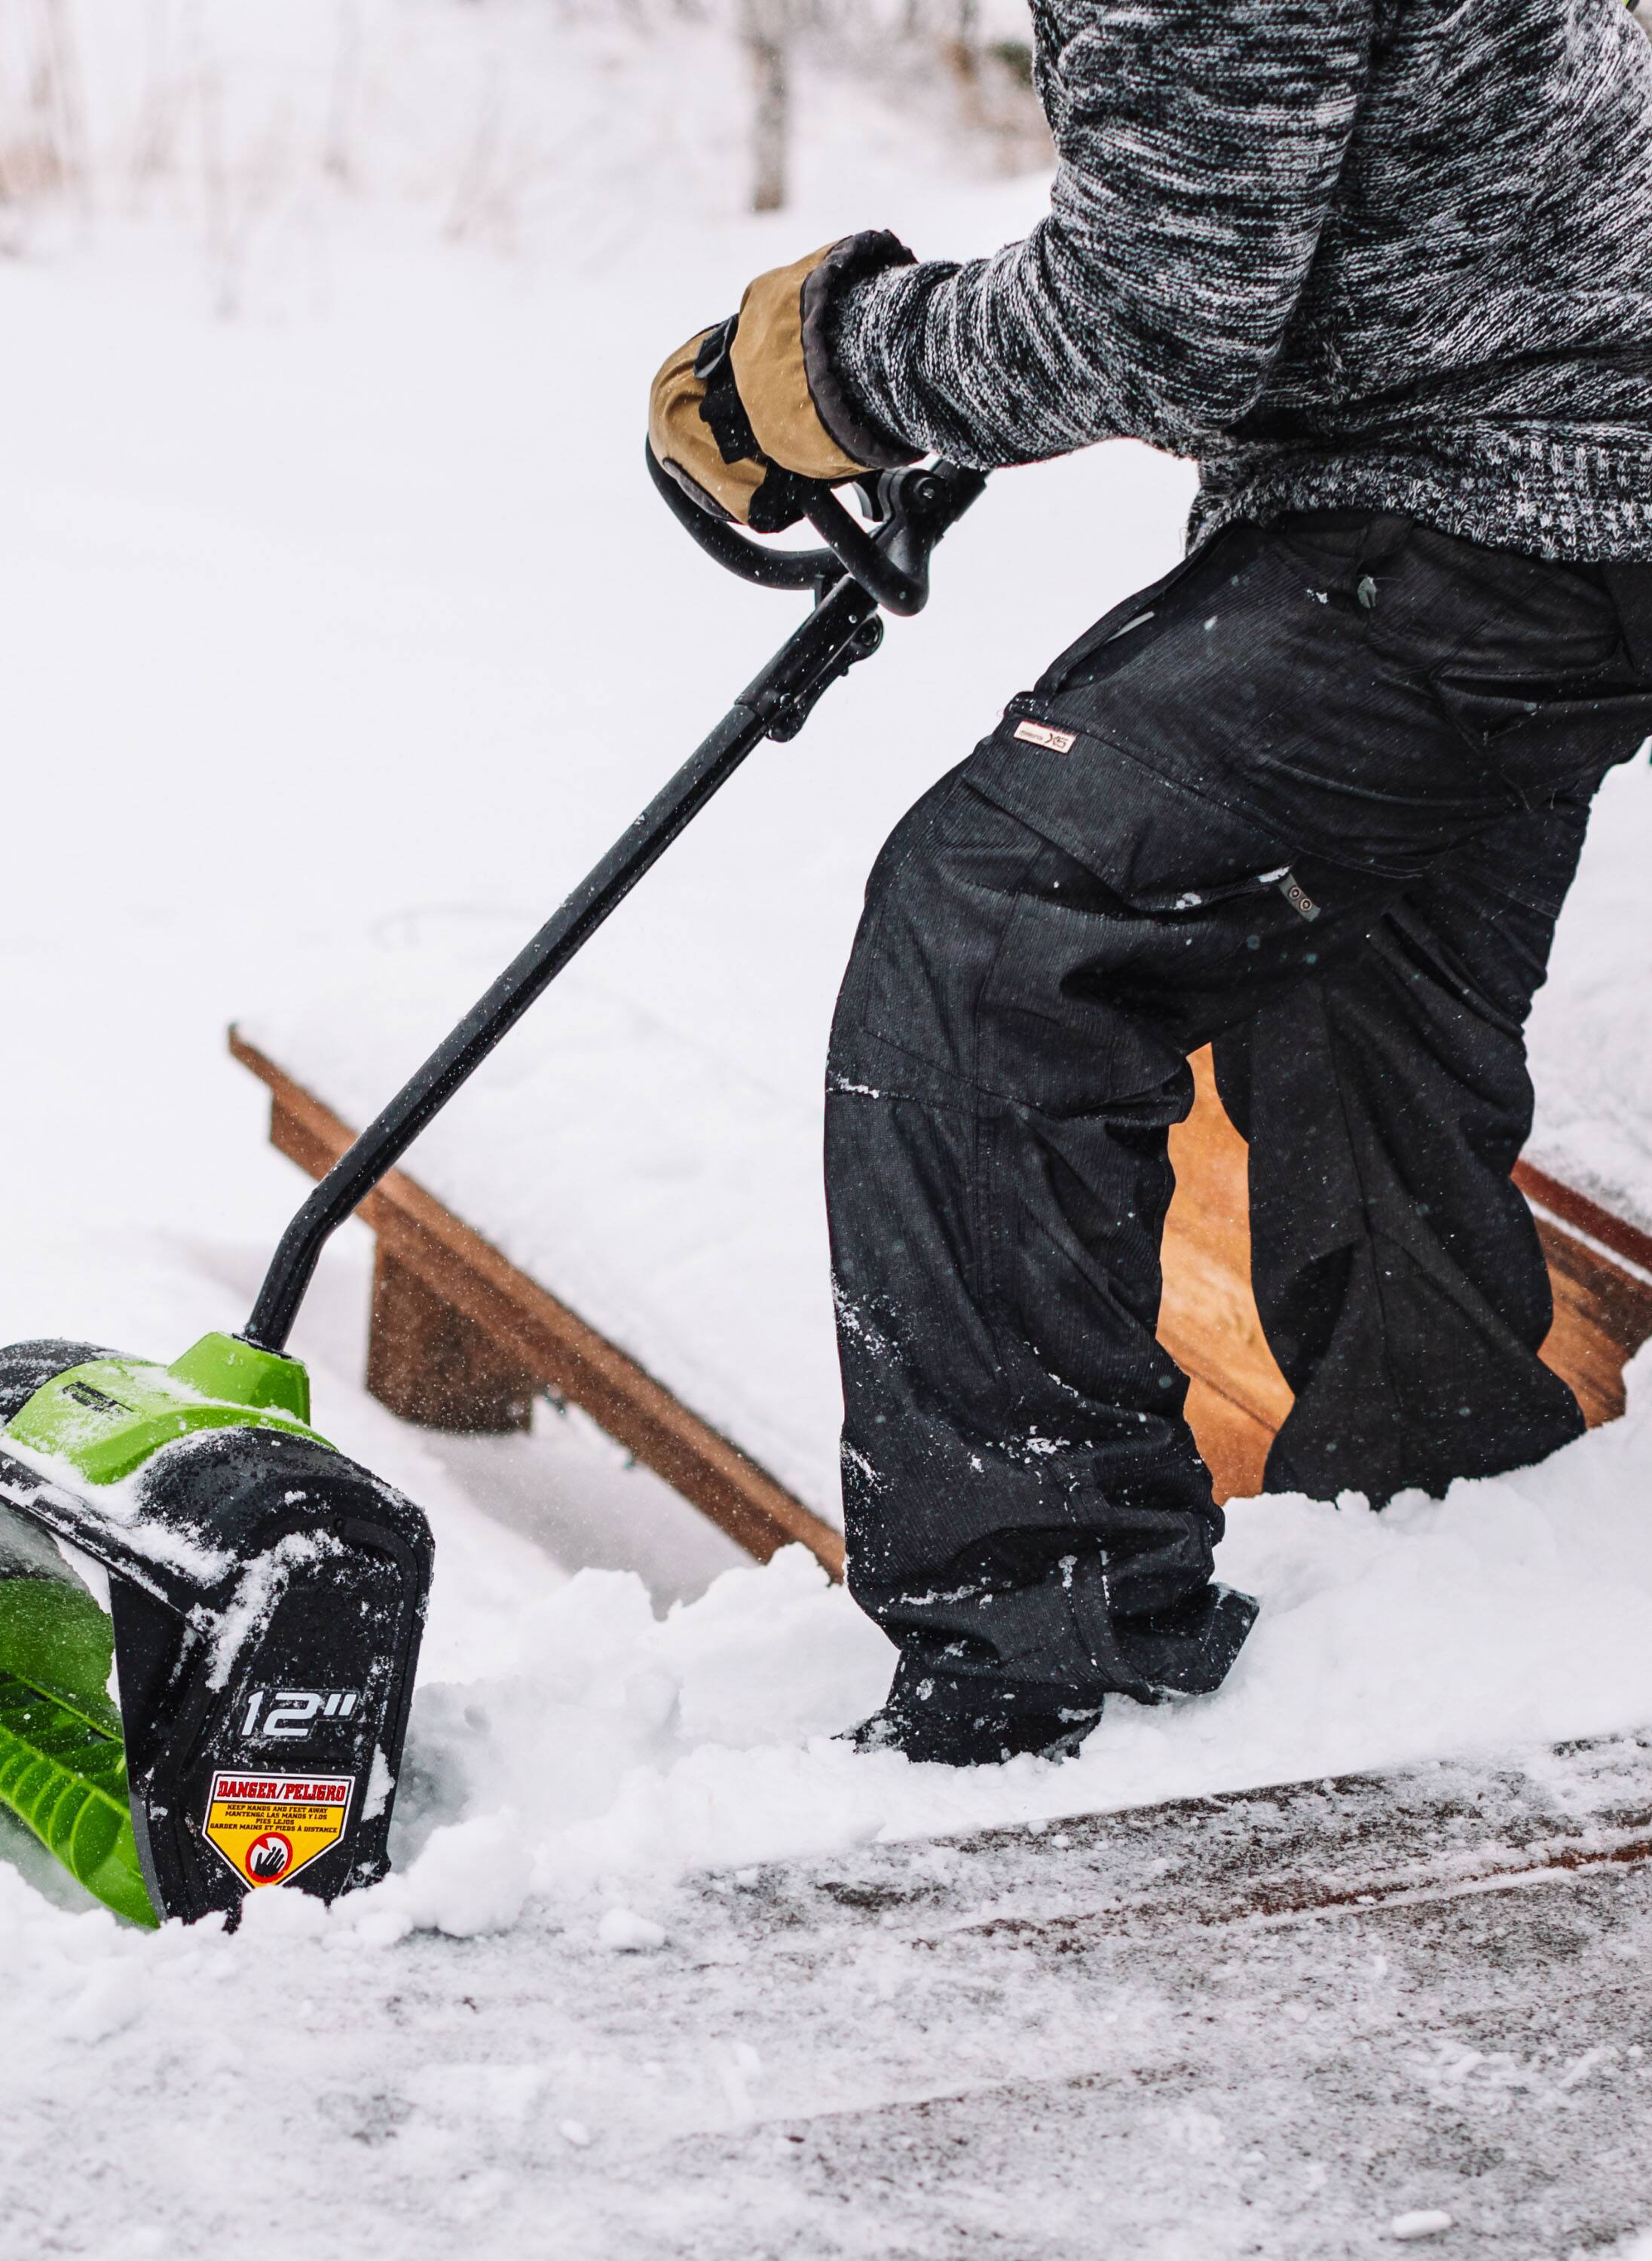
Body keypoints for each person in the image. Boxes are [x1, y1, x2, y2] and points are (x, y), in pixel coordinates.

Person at [649, 0, 1652, 1764]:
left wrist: (833, 377)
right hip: (1555, 465)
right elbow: (1253, 218)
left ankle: (1057, 1664)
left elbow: (1162, 319)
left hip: (1501, 495)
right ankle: (1449, 1550)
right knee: (1343, 981)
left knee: (995, 942)